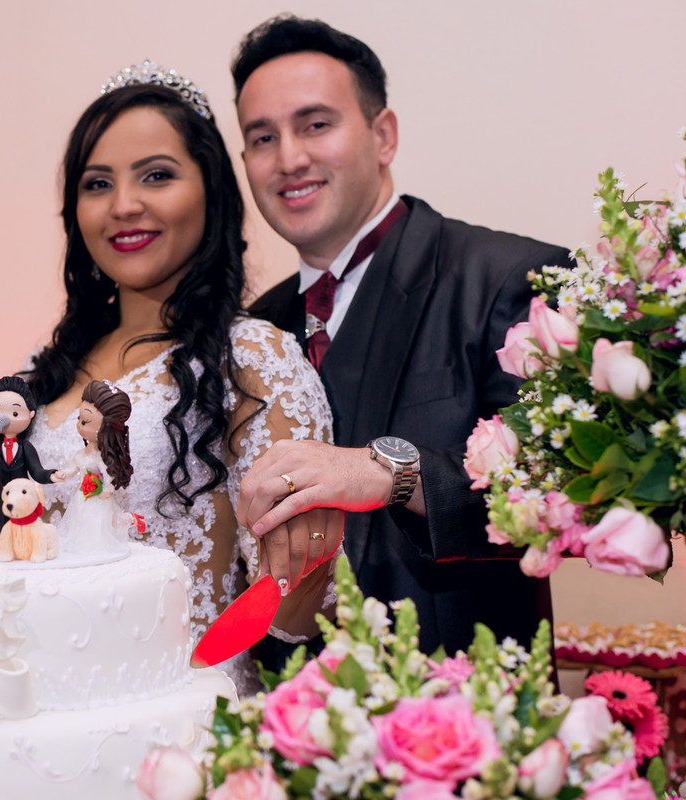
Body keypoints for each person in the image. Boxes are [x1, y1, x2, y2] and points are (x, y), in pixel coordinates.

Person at [229, 16, 573, 665]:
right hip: (287, 722)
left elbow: (558, 498)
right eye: (263, 138)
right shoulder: (256, 328)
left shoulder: (508, 279)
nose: (290, 158)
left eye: (315, 124)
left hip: (470, 725)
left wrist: (388, 472)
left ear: (382, 135)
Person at [0, 62, 341, 693]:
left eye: (156, 175)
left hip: (179, 720)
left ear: (210, 190)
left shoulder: (253, 357)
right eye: (97, 183)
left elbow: (298, 610)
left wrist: (305, 577)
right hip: (34, 716)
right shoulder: (39, 375)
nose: (124, 205)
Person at [0, 375, 65, 554]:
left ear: (30, 414)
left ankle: (22, 540)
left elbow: (36, 471)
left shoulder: (25, 447)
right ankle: (1, 538)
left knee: (22, 519)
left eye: (15, 413)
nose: (7, 418)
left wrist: (50, 475)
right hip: (1, 493)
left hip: (22, 496)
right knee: (1, 519)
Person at [57, 379, 134, 555]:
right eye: (79, 419)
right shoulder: (82, 453)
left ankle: (94, 544)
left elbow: (108, 474)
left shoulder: (101, 457)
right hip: (83, 493)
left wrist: (107, 488)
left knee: (96, 520)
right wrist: (65, 474)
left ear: (104, 427)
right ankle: (79, 542)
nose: (79, 425)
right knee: (79, 517)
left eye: (85, 421)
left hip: (98, 496)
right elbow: (74, 466)